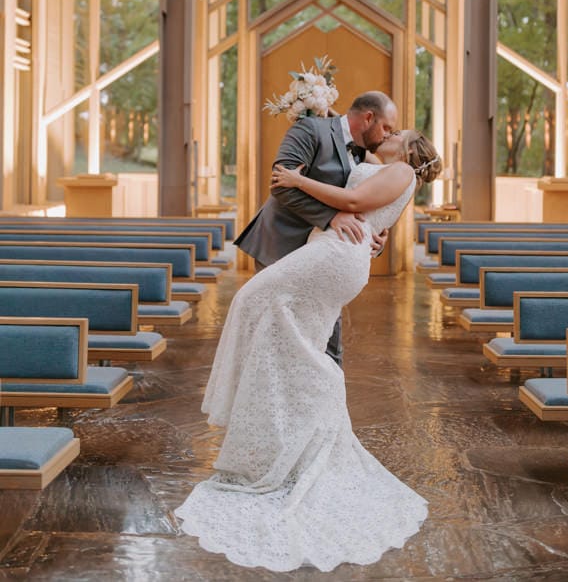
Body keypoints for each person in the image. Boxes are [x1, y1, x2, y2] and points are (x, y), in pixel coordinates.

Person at [175, 129, 442, 572]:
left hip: (336, 256)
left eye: (399, 134)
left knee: (253, 302)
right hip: (332, 251)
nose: (390, 135)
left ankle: (300, 427)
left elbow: (354, 205)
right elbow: (364, 209)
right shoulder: (386, 169)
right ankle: (291, 436)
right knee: (288, 339)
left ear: (410, 150)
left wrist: (298, 182)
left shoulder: (400, 170)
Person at [234, 90, 399, 365]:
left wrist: (376, 234)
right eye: (386, 127)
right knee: (278, 332)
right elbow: (281, 184)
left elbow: (363, 202)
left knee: (325, 340)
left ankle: (325, 402)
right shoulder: (309, 129)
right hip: (283, 245)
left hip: (323, 256)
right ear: (368, 118)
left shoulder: (363, 153)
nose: (386, 136)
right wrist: (331, 217)